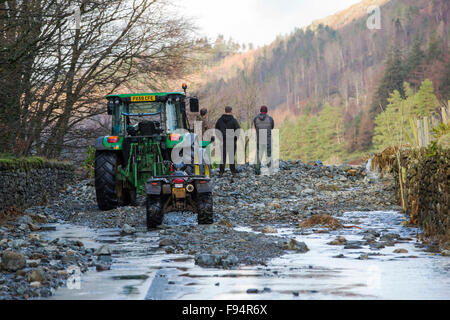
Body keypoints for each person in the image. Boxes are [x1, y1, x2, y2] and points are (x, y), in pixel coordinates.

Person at [215, 106, 240, 177]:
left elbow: (216, 130)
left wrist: (220, 138)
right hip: (231, 141)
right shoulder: (234, 120)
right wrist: (235, 139)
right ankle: (233, 171)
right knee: (232, 157)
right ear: (231, 111)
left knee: (223, 157)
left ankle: (221, 172)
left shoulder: (220, 120)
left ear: (225, 111)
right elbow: (238, 130)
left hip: (223, 141)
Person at [253, 105, 274, 175]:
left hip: (259, 139)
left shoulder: (255, 119)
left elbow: (256, 127)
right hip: (267, 139)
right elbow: (272, 127)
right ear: (266, 111)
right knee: (268, 155)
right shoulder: (270, 119)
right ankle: (270, 170)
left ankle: (257, 170)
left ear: (260, 111)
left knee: (259, 155)